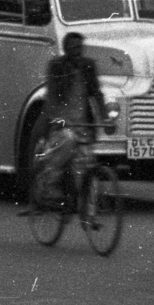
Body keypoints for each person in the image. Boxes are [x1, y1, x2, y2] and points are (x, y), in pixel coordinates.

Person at [26, 32, 116, 214]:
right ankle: (47, 186)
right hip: (61, 126)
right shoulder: (57, 66)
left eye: (80, 48)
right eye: (74, 48)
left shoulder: (88, 66)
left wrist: (105, 118)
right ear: (66, 49)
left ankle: (89, 213)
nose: (78, 51)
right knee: (66, 143)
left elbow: (97, 95)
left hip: (83, 126)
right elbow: (52, 98)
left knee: (86, 166)